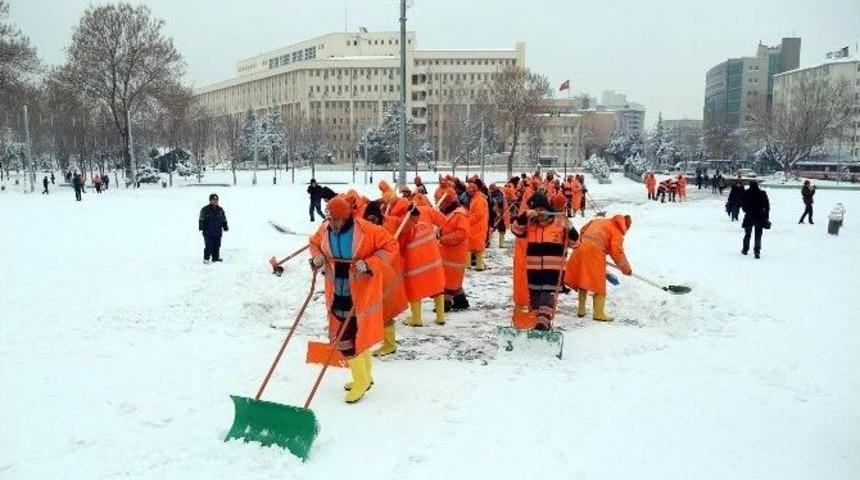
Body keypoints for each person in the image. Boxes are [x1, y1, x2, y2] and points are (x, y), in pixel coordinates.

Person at [308, 195, 399, 403]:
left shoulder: (366, 230)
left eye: (336, 220)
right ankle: (365, 377)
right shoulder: (325, 229)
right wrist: (317, 256)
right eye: (329, 220)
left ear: (346, 216)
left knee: (348, 338)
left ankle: (361, 381)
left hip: (360, 291)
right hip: (337, 289)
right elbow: (313, 243)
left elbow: (391, 246)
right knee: (350, 334)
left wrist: (369, 263)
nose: (332, 225)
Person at [511, 192, 579, 331]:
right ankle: (537, 324)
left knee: (547, 299)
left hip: (553, 271)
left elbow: (575, 243)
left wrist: (571, 230)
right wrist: (524, 216)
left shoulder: (560, 222)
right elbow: (516, 230)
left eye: (541, 209)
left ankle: (543, 324)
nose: (539, 213)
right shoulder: (530, 223)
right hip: (533, 270)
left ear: (547, 208)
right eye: (535, 210)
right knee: (535, 301)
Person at [564, 214, 633, 322]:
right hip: (594, 254)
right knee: (599, 284)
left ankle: (581, 310)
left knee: (582, 278)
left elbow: (582, 230)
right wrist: (626, 269)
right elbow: (617, 253)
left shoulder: (599, 221)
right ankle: (598, 313)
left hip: (580, 249)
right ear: (626, 225)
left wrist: (590, 244)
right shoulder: (617, 232)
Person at [741, 181, 769, 259]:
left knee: (747, 234)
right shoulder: (762, 193)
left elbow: (743, 204)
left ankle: (745, 249)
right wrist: (766, 217)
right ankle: (757, 251)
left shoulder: (746, 193)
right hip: (759, 216)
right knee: (758, 235)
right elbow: (767, 206)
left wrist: (746, 210)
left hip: (749, 216)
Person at [199, 193, 228, 263]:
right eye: (213, 200)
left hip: (218, 231)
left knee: (217, 245)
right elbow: (201, 219)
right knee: (209, 245)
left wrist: (225, 226)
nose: (215, 201)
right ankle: (206, 258)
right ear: (210, 200)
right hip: (208, 232)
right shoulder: (205, 209)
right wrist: (201, 226)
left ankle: (215, 257)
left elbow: (223, 219)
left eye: (216, 200)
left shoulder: (220, 210)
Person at [467, 181, 489, 271]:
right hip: (478, 225)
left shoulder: (478, 200)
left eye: (470, 191)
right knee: (476, 246)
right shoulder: (477, 198)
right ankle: (478, 264)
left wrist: (468, 220)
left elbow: (478, 214)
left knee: (472, 246)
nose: (468, 193)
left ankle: (471, 264)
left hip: (477, 226)